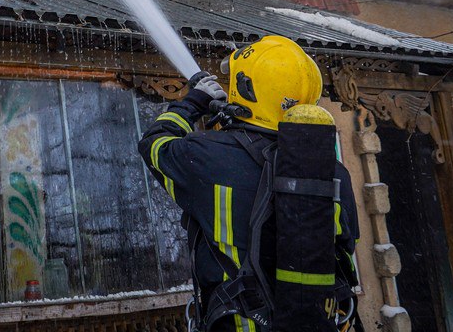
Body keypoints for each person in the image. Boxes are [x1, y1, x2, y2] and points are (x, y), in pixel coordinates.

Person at [138, 35, 361, 332]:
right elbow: (346, 244)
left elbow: (154, 144)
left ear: (246, 88)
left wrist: (194, 102)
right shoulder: (333, 172)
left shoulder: (207, 157)